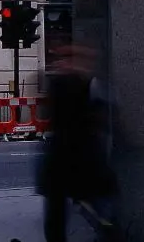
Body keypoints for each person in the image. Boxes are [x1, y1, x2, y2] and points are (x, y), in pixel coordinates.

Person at [37, 43, 114, 242]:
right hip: (78, 157)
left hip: (69, 158)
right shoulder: (81, 84)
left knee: (60, 212)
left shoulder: (68, 84)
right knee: (95, 204)